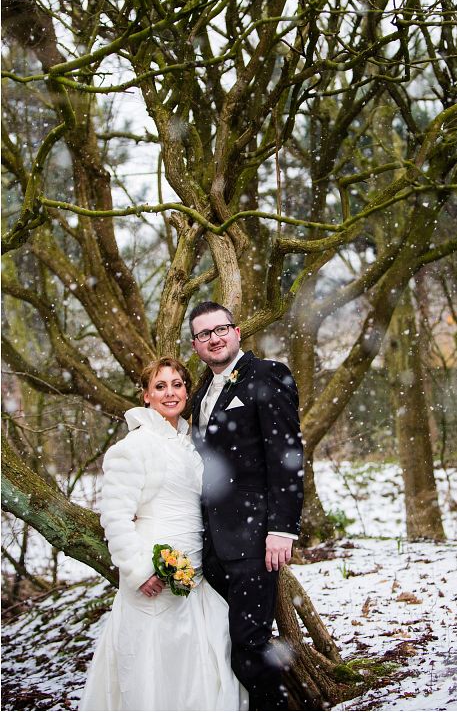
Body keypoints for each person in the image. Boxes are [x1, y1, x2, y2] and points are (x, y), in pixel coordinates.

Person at [80, 357, 246, 711]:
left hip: (196, 577)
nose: (170, 392)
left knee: (208, 665)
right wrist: (139, 571)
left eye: (177, 384)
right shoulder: (133, 448)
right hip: (153, 579)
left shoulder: (190, 445)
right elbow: (115, 518)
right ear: (145, 396)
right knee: (154, 673)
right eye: (160, 386)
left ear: (187, 391)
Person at [188, 301, 305, 711]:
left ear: (237, 332)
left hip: (256, 539)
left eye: (220, 329)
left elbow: (286, 456)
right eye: (204, 334)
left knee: (250, 643)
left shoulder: (268, 374)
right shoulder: (200, 391)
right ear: (195, 345)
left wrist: (282, 529)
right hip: (214, 544)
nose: (214, 338)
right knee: (225, 641)